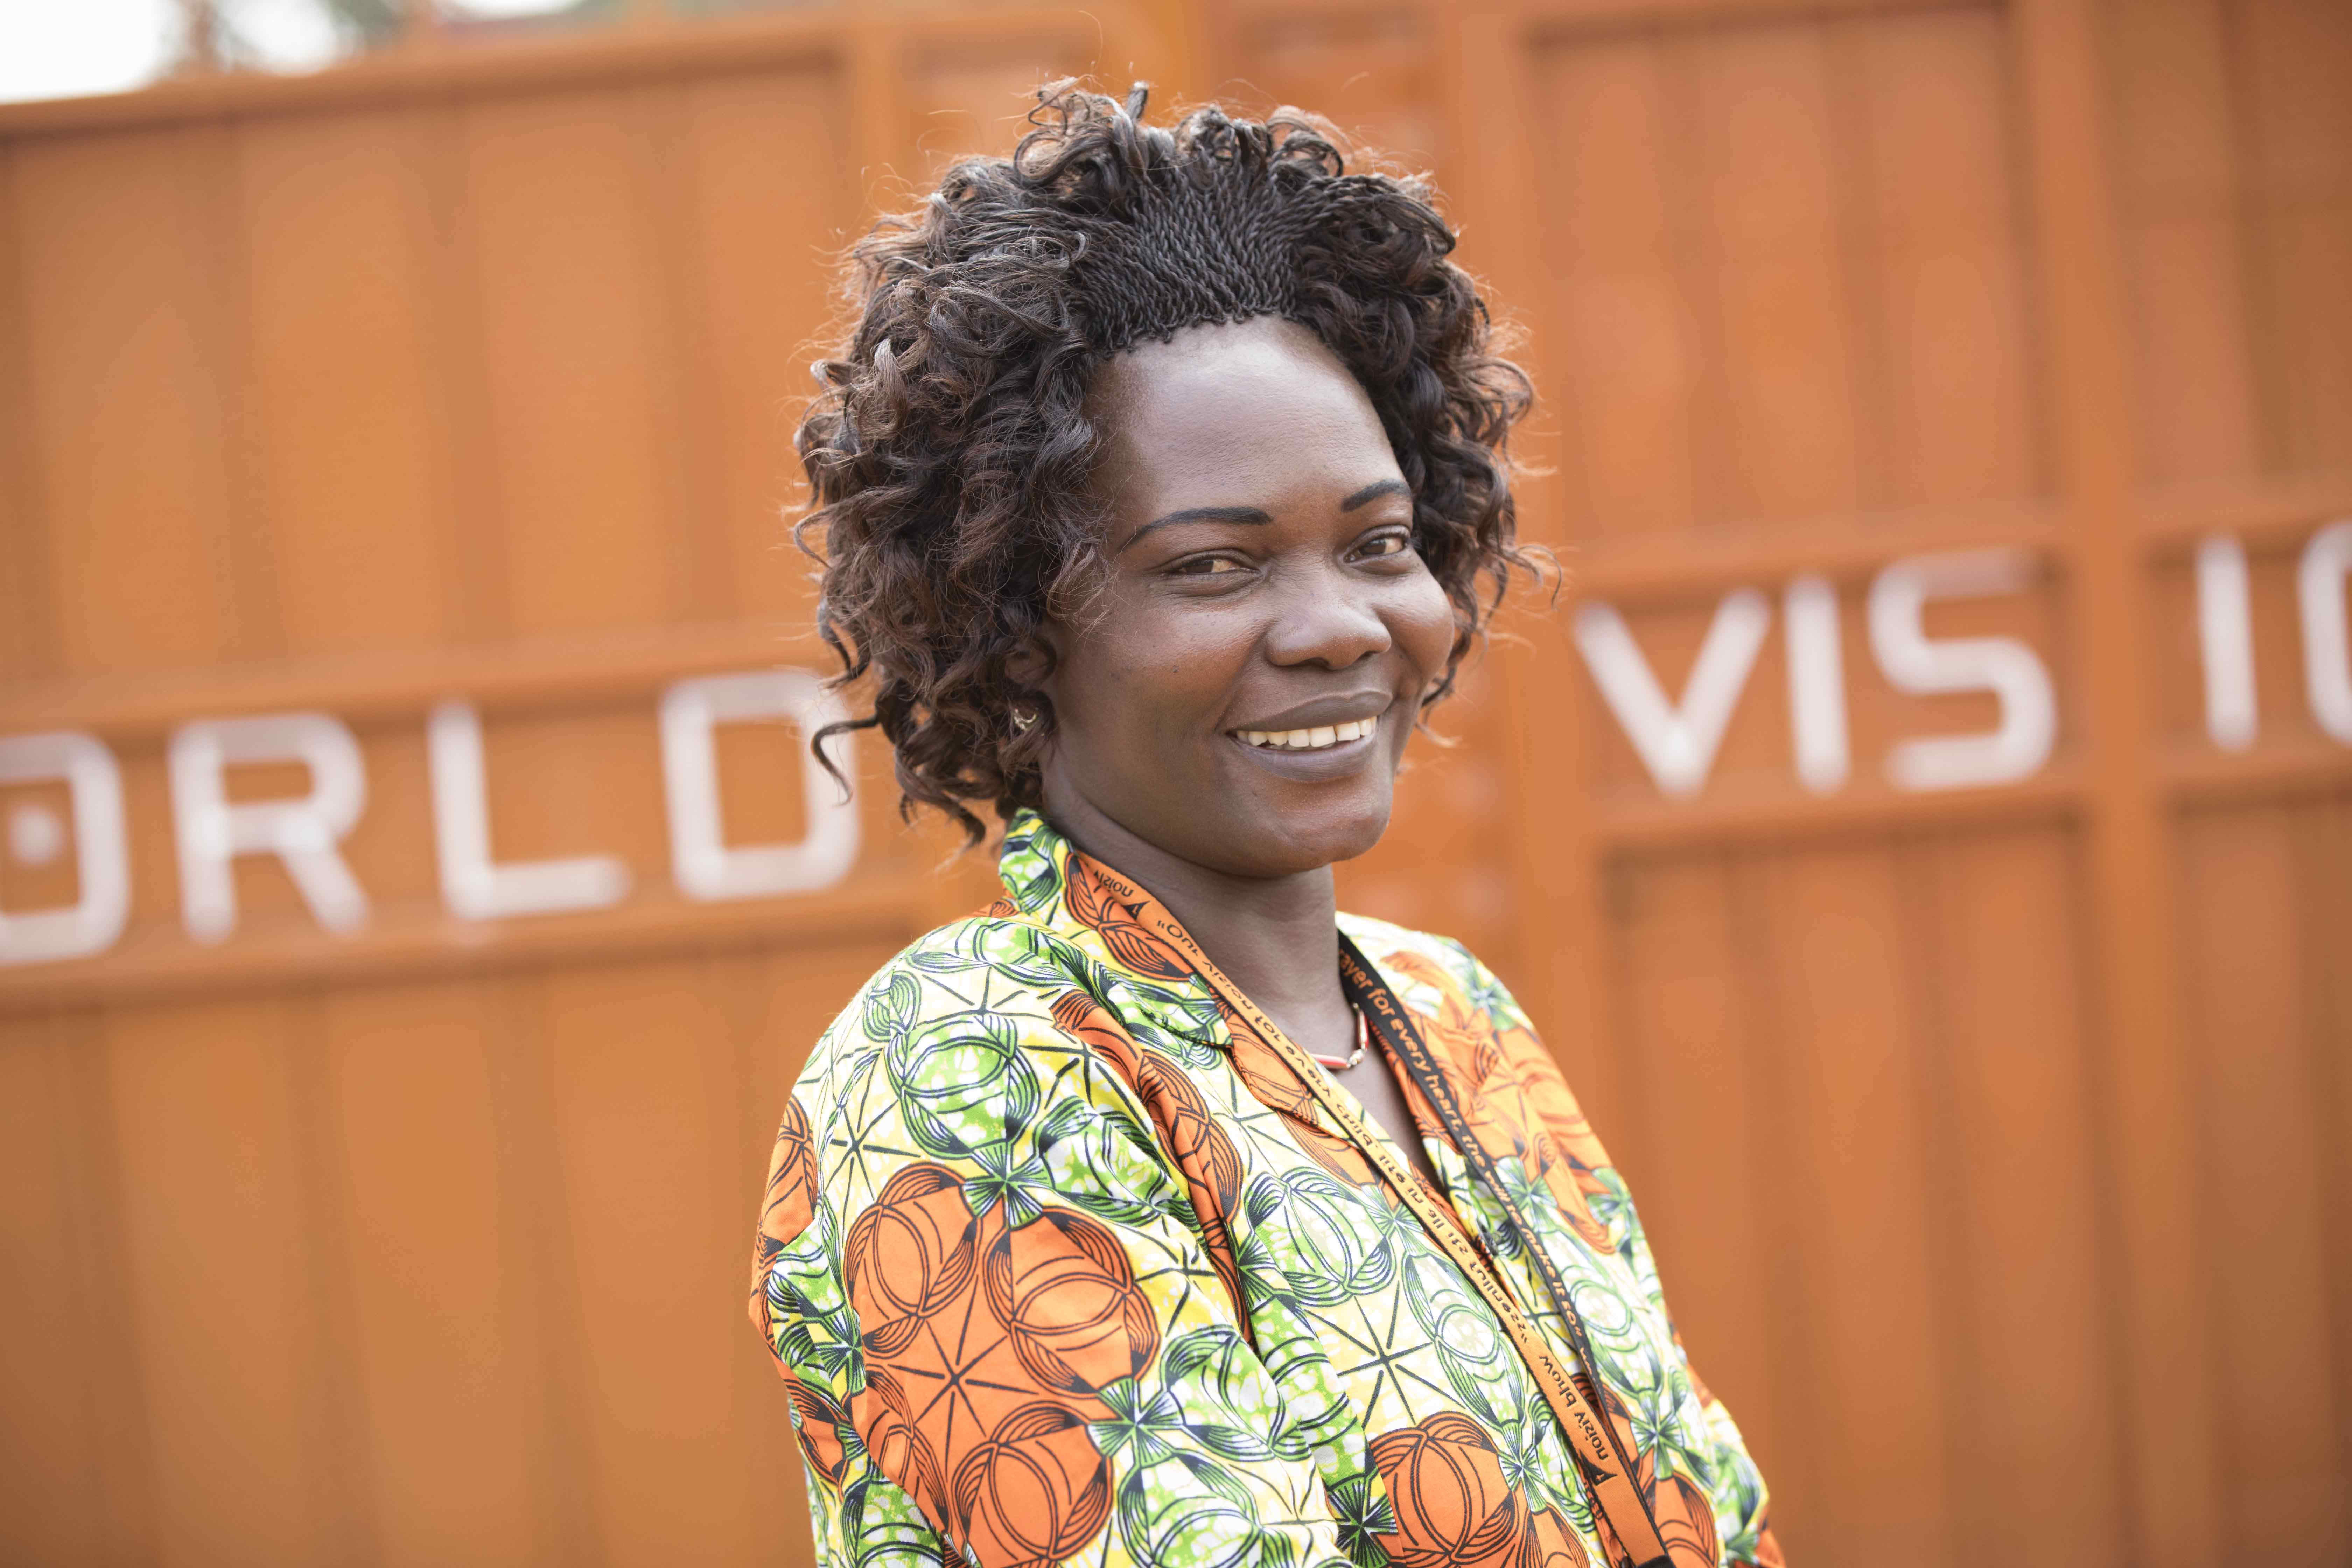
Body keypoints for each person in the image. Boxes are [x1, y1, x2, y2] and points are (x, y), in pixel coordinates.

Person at [750, 82, 1783, 1568]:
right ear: (1018, 629)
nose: (1340, 627)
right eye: (1217, 568)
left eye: (1378, 543)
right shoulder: (969, 1070)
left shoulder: (1454, 1018)